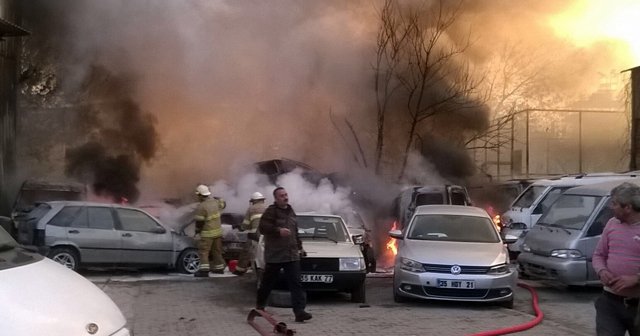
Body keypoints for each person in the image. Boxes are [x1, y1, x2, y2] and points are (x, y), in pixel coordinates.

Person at [256, 187, 312, 322]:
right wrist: (278, 231)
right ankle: (260, 306)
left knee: (296, 284)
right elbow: (263, 228)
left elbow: (295, 231)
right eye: (282, 196)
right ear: (276, 198)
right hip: (275, 255)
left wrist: (300, 247)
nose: (285, 197)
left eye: (286, 195)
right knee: (267, 283)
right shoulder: (271, 211)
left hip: (291, 255)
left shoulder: (291, 211)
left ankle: (299, 312)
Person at [593, 182, 640, 336]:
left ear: (628, 207)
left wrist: (636, 279)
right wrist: (602, 271)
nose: (610, 207)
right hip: (610, 302)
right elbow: (598, 255)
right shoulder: (612, 224)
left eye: (614, 203)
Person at [193, 184, 226, 277]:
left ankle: (204, 271)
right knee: (217, 251)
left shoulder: (201, 207)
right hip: (218, 232)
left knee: (204, 251)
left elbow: (199, 222)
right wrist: (220, 199)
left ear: (200, 195)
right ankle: (219, 269)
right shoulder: (215, 202)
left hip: (207, 234)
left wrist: (197, 231)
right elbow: (223, 205)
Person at [233, 192, 267, 276]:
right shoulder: (268, 208)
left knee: (246, 251)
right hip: (266, 235)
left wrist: (239, 227)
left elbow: (246, 224)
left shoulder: (251, 209)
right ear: (262, 200)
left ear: (253, 201)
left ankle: (240, 270)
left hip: (254, 235)